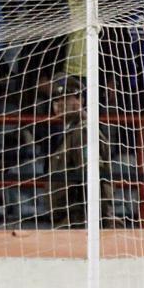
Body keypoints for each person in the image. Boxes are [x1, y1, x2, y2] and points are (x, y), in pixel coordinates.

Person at [47, 76, 121, 228]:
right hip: (70, 220)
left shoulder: (83, 131)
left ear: (79, 100)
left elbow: (92, 176)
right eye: (56, 100)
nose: (59, 104)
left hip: (80, 221)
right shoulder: (71, 132)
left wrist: (95, 220)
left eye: (65, 99)